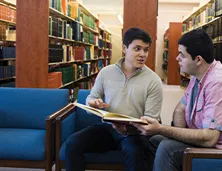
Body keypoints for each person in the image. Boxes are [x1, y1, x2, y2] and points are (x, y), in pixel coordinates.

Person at [133, 29, 222, 171]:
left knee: (168, 148)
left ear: (198, 60)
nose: (177, 58)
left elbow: (209, 138)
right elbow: (181, 108)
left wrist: (161, 129)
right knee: (155, 141)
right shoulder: (198, 76)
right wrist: (179, 135)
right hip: (210, 144)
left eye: (182, 55)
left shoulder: (220, 84)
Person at [65, 27, 163, 171]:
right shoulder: (106, 72)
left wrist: (128, 128)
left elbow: (150, 120)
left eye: (146, 50)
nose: (142, 54)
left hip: (134, 132)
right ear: (124, 48)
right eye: (137, 49)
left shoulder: (154, 80)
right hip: (108, 127)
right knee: (73, 143)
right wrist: (93, 103)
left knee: (135, 153)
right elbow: (92, 97)